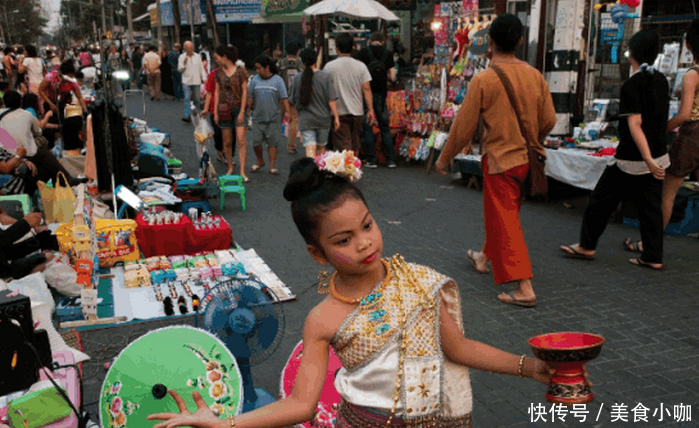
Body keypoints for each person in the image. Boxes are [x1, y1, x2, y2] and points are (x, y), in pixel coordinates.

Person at [147, 156, 557, 428]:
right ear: (317, 254)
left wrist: (530, 367)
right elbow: (301, 404)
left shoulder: (416, 282)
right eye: (343, 240)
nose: (364, 243)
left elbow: (458, 348)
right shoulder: (322, 319)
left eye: (367, 225)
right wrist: (223, 424)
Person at [436, 14, 557, 308]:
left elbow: (463, 127)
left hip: (501, 160)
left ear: (489, 43)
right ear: (519, 41)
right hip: (528, 160)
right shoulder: (535, 75)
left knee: (505, 221)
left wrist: (444, 158)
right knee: (503, 216)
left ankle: (524, 286)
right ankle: (482, 257)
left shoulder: (484, 79)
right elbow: (550, 120)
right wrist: (532, 138)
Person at [560, 30, 668, 271]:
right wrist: (653, 157)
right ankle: (653, 255)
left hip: (632, 157)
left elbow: (635, 125)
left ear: (632, 55)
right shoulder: (662, 80)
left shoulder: (632, 84)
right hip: (659, 155)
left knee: (600, 201)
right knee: (651, 208)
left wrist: (647, 158)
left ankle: (587, 245)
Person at [662, 19, 699, 237]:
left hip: (692, 135)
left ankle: (650, 246)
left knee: (668, 193)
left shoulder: (692, 75)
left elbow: (684, 115)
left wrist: (665, 127)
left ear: (689, 45)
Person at [0, 91, 80, 186]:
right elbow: (39, 131)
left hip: (10, 156)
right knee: (44, 154)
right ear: (20, 102)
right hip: (22, 156)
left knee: (45, 158)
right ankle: (65, 180)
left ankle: (61, 181)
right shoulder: (27, 114)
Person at [323, 33, 375, 154]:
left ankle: (348, 171)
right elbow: (366, 88)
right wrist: (370, 109)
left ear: (336, 48)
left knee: (344, 147)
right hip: (357, 111)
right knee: (355, 144)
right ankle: (354, 168)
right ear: (353, 47)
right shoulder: (361, 66)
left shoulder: (329, 67)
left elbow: (325, 90)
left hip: (338, 112)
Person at [289, 48, 340, 159]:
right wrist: (336, 117)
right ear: (316, 59)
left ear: (302, 61)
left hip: (305, 120)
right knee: (321, 149)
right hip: (323, 119)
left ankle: (310, 172)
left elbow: (293, 101)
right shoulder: (325, 76)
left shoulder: (298, 78)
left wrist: (291, 116)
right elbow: (331, 99)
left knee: (309, 149)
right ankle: (319, 172)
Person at [357, 32, 398, 168]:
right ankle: (391, 160)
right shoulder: (388, 53)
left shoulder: (363, 52)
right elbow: (392, 76)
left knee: (367, 126)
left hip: (366, 92)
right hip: (381, 92)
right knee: (384, 127)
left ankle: (371, 159)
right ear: (383, 40)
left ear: (370, 40)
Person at [248, 55, 289, 175]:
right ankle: (260, 160)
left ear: (267, 67)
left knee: (272, 143)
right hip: (257, 117)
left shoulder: (278, 80)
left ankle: (272, 166)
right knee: (256, 143)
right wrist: (247, 110)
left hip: (273, 118)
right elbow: (250, 98)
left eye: (259, 68)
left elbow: (284, 98)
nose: (257, 71)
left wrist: (287, 112)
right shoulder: (254, 80)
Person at [214, 45, 249, 180]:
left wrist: (242, 111)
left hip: (238, 108)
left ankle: (242, 171)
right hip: (224, 110)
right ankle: (230, 167)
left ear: (224, 57)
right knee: (227, 141)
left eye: (217, 58)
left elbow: (245, 91)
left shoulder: (241, 72)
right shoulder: (218, 72)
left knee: (241, 140)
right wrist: (216, 112)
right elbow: (217, 92)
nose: (216, 60)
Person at [38, 61, 89, 151]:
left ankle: (70, 145)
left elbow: (79, 97)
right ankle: (52, 147)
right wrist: (51, 104)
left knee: (70, 123)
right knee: (53, 126)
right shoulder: (50, 77)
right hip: (50, 102)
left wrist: (85, 110)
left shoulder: (72, 81)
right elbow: (41, 90)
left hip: (65, 104)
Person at [202, 51, 235, 164]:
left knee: (231, 133)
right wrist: (205, 109)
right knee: (217, 133)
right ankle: (220, 150)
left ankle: (228, 155)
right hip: (214, 109)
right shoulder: (213, 74)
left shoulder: (234, 73)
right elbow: (209, 92)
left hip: (230, 109)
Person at [0, 211, 54, 280]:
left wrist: (40, 240)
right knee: (49, 261)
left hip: (7, 267)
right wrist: (26, 223)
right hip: (4, 277)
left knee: (48, 257)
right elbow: (4, 239)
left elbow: (8, 252)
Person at [278, 43, 304, 154]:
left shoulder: (281, 63)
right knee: (294, 120)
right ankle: (291, 145)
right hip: (295, 95)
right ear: (298, 51)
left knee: (278, 118)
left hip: (281, 94)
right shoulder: (301, 63)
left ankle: (273, 142)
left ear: (287, 52)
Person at [178, 41, 207, 123]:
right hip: (186, 80)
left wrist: (204, 77)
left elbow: (201, 68)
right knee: (187, 98)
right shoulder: (181, 57)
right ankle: (187, 115)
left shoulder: (198, 56)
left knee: (197, 99)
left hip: (196, 80)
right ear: (185, 48)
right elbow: (179, 70)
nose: (190, 49)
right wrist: (184, 64)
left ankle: (197, 114)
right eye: (188, 48)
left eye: (191, 48)